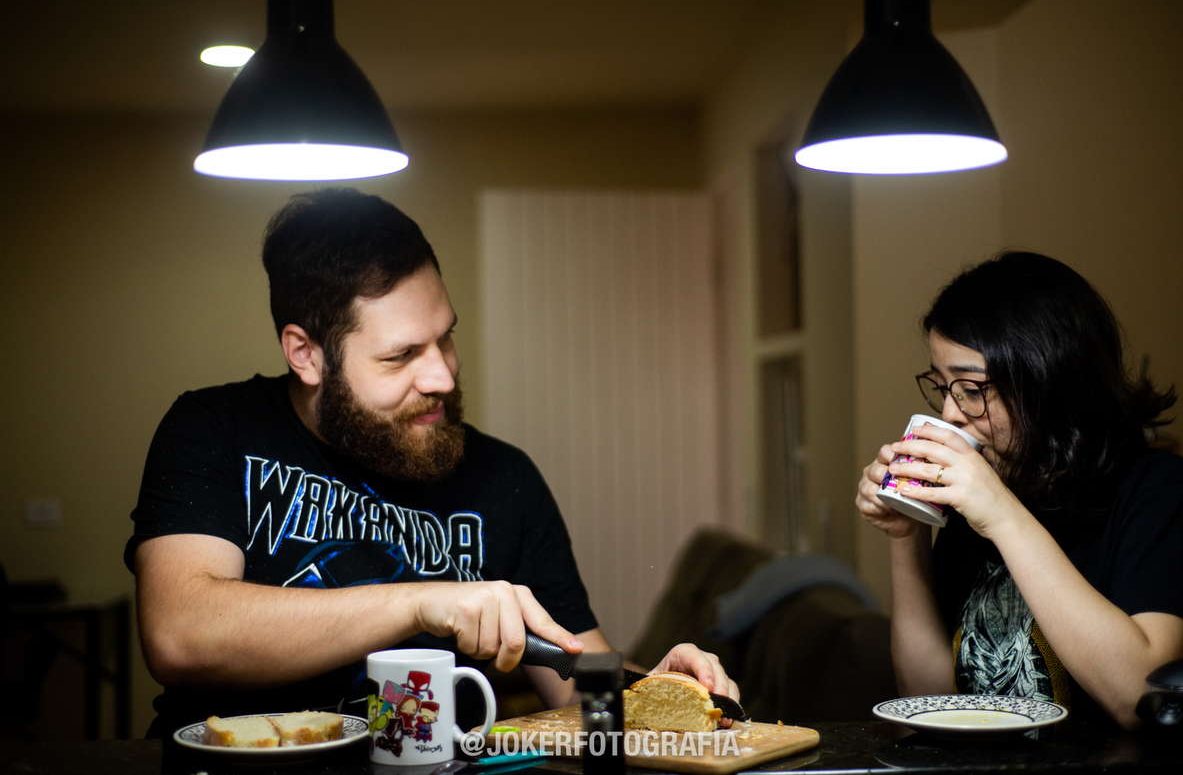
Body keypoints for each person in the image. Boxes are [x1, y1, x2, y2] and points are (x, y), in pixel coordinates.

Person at [126, 188, 736, 737]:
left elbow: (578, 679)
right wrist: (421, 602)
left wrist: (658, 691)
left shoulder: (507, 478)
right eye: (401, 356)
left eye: (445, 337)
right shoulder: (214, 428)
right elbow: (180, 634)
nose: (442, 375)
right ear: (306, 355)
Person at [856, 251, 1183, 730]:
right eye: (942, 386)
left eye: (971, 390)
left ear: (1047, 380)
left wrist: (999, 513)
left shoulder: (1158, 490)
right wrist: (905, 535)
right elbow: (929, 700)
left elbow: (1141, 695)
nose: (950, 413)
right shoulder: (978, 495)